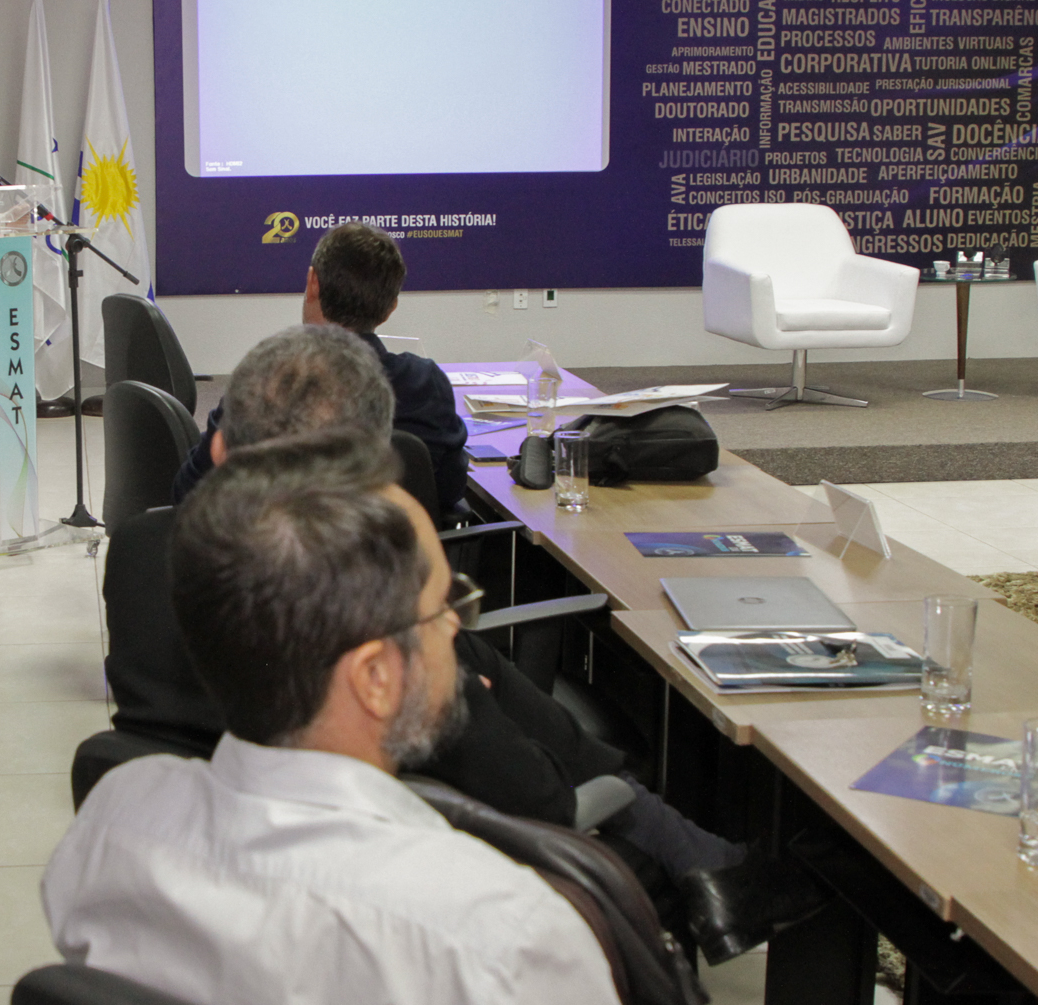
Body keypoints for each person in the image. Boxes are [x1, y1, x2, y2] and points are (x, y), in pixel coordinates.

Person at [48, 428, 799, 1005]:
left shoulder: (113, 821)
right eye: (444, 607)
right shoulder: (493, 930)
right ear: (375, 677)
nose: (454, 634)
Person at [106, 327, 772, 948]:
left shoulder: (139, 553)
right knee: (481, 678)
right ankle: (692, 852)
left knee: (471, 658)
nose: (445, 615)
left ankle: (676, 835)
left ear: (220, 448)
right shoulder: (371, 596)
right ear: (373, 466)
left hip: (221, 847)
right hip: (437, 855)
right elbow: (533, 799)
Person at [172, 222, 468, 518]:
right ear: (391, 307)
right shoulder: (426, 385)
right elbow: (447, 489)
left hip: (277, 559)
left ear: (313, 283)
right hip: (394, 557)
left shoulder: (259, 383)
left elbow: (190, 493)